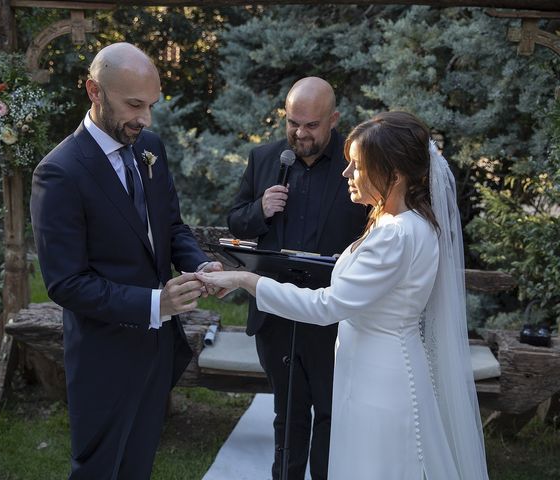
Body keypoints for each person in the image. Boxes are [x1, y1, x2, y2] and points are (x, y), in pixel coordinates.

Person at [199, 111, 490, 480]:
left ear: (394, 174)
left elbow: (326, 306)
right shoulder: (407, 221)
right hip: (377, 364)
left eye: (357, 165)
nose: (345, 173)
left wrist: (245, 279)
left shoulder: (395, 234)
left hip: (379, 378)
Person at [30, 43, 221, 480]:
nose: (145, 119)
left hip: (157, 352)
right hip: (104, 357)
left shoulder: (149, 147)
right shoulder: (59, 172)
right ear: (94, 91)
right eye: (134, 105)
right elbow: (66, 283)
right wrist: (157, 304)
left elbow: (171, 227)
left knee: (138, 465)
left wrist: (201, 266)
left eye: (151, 105)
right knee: (98, 469)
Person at [227, 77, 367, 479]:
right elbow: (235, 220)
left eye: (311, 125)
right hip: (275, 314)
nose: (300, 134)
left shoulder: (355, 164)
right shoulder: (265, 158)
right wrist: (260, 210)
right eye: (293, 123)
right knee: (286, 412)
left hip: (332, 317)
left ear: (334, 120)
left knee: (329, 412)